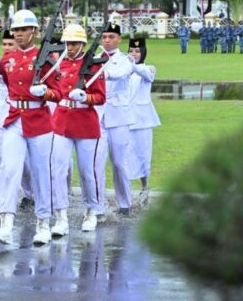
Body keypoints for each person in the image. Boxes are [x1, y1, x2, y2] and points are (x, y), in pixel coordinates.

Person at [0, 9, 61, 247]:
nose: (18, 35)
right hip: (14, 118)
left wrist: (46, 93)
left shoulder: (47, 59)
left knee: (41, 173)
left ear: (34, 32)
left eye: (23, 30)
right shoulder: (6, 60)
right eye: (15, 30)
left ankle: (43, 224)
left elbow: (59, 93)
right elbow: (9, 87)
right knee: (9, 170)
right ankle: (6, 224)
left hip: (38, 119)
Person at [49, 24, 107, 236]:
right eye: (67, 43)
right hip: (62, 121)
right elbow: (55, 91)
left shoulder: (93, 66)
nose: (70, 47)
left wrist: (85, 97)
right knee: (58, 170)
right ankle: (61, 216)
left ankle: (91, 210)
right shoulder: (60, 65)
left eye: (73, 43)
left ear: (83, 44)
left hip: (85, 122)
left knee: (87, 171)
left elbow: (101, 97)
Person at [98, 24, 134, 217]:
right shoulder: (94, 58)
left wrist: (101, 72)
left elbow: (120, 74)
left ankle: (125, 203)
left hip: (119, 117)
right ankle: (99, 204)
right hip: (98, 116)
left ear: (119, 39)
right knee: (97, 162)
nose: (107, 40)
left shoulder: (125, 59)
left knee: (119, 163)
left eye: (111, 37)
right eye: (104, 37)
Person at [126, 38, 160, 206]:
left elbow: (147, 75)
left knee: (143, 155)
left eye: (137, 51)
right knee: (125, 157)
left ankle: (145, 188)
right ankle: (126, 193)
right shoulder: (124, 71)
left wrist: (132, 65)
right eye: (131, 51)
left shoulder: (149, 68)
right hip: (125, 120)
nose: (134, 54)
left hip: (142, 121)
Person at [0, 30, 17, 216]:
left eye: (10, 44)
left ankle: (30, 195)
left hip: (19, 114)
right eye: (4, 44)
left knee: (26, 164)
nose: (6, 48)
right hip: (0, 115)